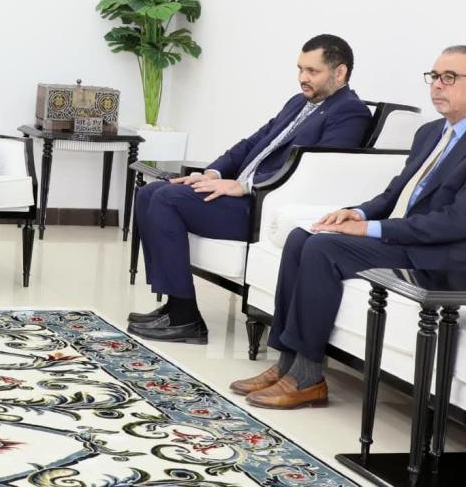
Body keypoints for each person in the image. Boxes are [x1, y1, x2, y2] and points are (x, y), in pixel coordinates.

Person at [231, 45, 466, 409]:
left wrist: (374, 230)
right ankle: (287, 363)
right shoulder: (431, 132)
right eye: (434, 76)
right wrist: (357, 214)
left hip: (444, 257)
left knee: (323, 249)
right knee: (302, 237)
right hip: (408, 241)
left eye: (449, 78)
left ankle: (308, 378)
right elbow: (395, 193)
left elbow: (459, 222)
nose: (437, 85)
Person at [128, 34, 372, 343]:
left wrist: (244, 186)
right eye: (300, 69)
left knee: (166, 198)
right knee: (149, 193)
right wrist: (212, 173)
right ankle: (174, 305)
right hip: (240, 195)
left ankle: (185, 318)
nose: (303, 78)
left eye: (313, 71)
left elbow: (314, 172)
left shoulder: (350, 113)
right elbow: (252, 143)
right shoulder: (299, 103)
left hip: (261, 205)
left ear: (340, 72)